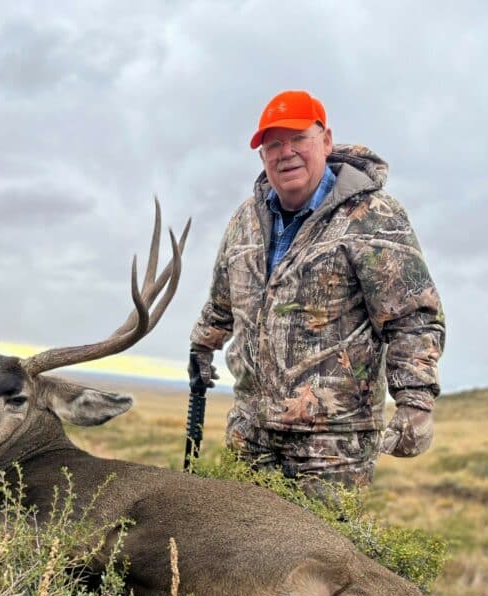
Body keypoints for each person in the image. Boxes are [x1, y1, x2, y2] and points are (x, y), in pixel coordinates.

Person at [189, 90, 445, 497]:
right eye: (273, 143)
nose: (285, 152)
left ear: (326, 141)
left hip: (330, 449)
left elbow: (411, 317)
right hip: (250, 435)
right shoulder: (244, 221)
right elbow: (223, 303)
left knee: (321, 559)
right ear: (262, 157)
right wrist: (201, 347)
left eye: (297, 138)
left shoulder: (373, 216)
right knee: (243, 558)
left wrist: (415, 401)